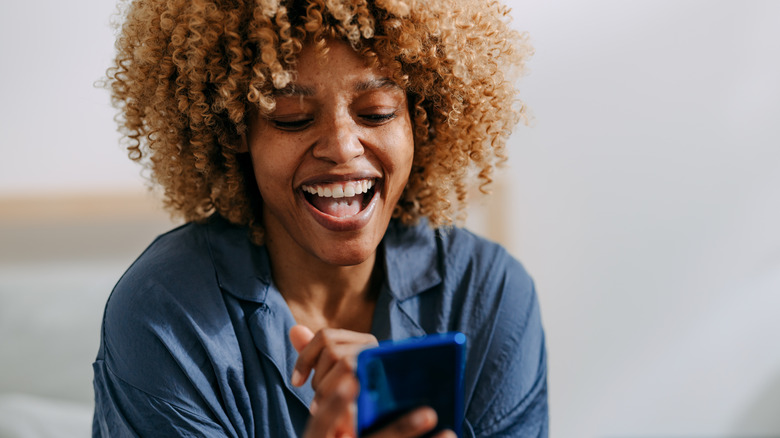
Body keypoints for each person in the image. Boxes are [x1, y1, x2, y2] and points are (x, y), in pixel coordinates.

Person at [92, 0, 547, 436]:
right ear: (234, 129)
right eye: (292, 118)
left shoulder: (489, 295)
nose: (342, 147)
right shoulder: (167, 315)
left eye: (376, 113)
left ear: (420, 117)